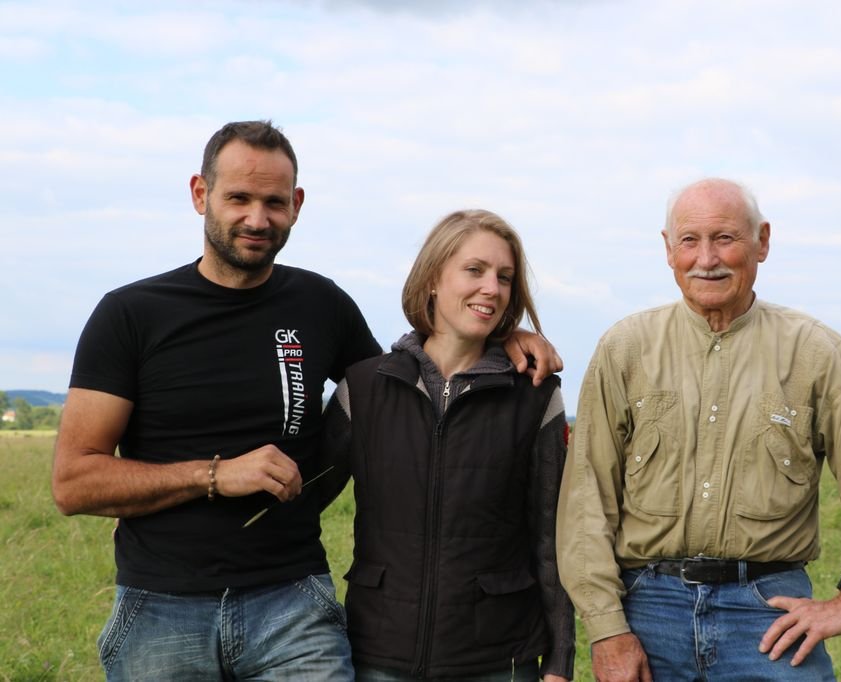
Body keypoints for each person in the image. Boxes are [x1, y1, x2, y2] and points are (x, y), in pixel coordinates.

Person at [51, 120, 562, 681]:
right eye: (238, 198)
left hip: (293, 606)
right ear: (200, 193)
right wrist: (214, 475)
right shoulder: (130, 314)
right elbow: (73, 483)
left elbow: (407, 390)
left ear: (296, 206)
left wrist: (501, 338)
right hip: (162, 606)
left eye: (274, 202)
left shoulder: (322, 305)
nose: (257, 218)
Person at [556, 178, 841, 681]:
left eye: (725, 238)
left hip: (769, 611)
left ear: (762, 241)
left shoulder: (815, 352)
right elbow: (586, 499)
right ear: (668, 249)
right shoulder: (625, 349)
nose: (707, 259)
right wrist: (606, 630)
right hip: (648, 611)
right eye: (690, 240)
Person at [318, 209, 575, 681]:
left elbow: (552, 537)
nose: (492, 288)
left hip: (497, 659)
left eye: (504, 277)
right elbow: (302, 503)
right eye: (475, 270)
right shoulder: (364, 387)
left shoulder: (536, 396)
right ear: (433, 278)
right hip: (379, 653)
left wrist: (560, 661)